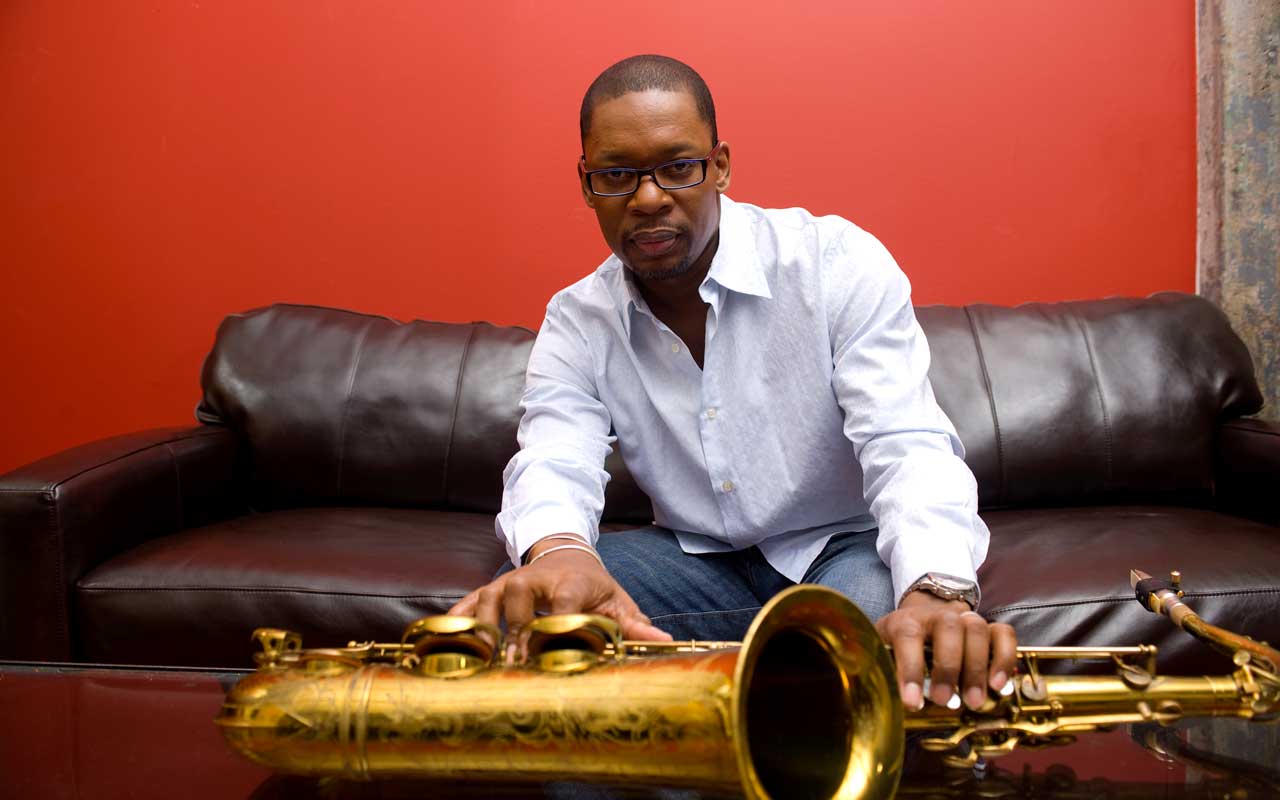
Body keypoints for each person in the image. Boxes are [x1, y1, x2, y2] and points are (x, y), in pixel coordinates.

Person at [452, 54, 1016, 713]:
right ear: (586, 183)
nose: (649, 197)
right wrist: (557, 552)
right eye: (616, 175)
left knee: (851, 659)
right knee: (537, 617)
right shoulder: (577, 320)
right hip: (690, 564)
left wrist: (936, 590)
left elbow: (908, 443)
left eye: (678, 167)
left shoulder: (834, 264)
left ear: (720, 166)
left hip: (841, 550)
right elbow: (553, 458)